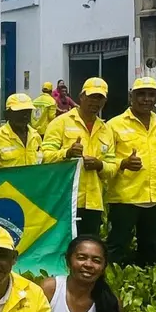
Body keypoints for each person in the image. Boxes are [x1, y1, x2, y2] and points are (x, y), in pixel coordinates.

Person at [41, 77, 118, 238]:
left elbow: (112, 168)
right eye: (91, 97)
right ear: (81, 97)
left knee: (88, 245)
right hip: (64, 200)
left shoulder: (106, 129)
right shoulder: (60, 123)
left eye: (100, 98)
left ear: (105, 101)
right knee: (64, 246)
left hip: (93, 203)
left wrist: (100, 165)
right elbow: (44, 158)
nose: (95, 102)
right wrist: (67, 153)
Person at [105, 77, 156, 266]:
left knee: (150, 247)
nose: (146, 99)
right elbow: (106, 159)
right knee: (117, 245)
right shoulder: (114, 125)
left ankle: (146, 280)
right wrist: (123, 163)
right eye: (141, 94)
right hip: (125, 198)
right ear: (131, 97)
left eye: (151, 95)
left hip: (155, 197)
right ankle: (108, 280)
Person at [0, 93, 43, 167]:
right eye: (19, 113)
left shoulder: (36, 136)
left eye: (28, 112)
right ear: (7, 114)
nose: (24, 116)